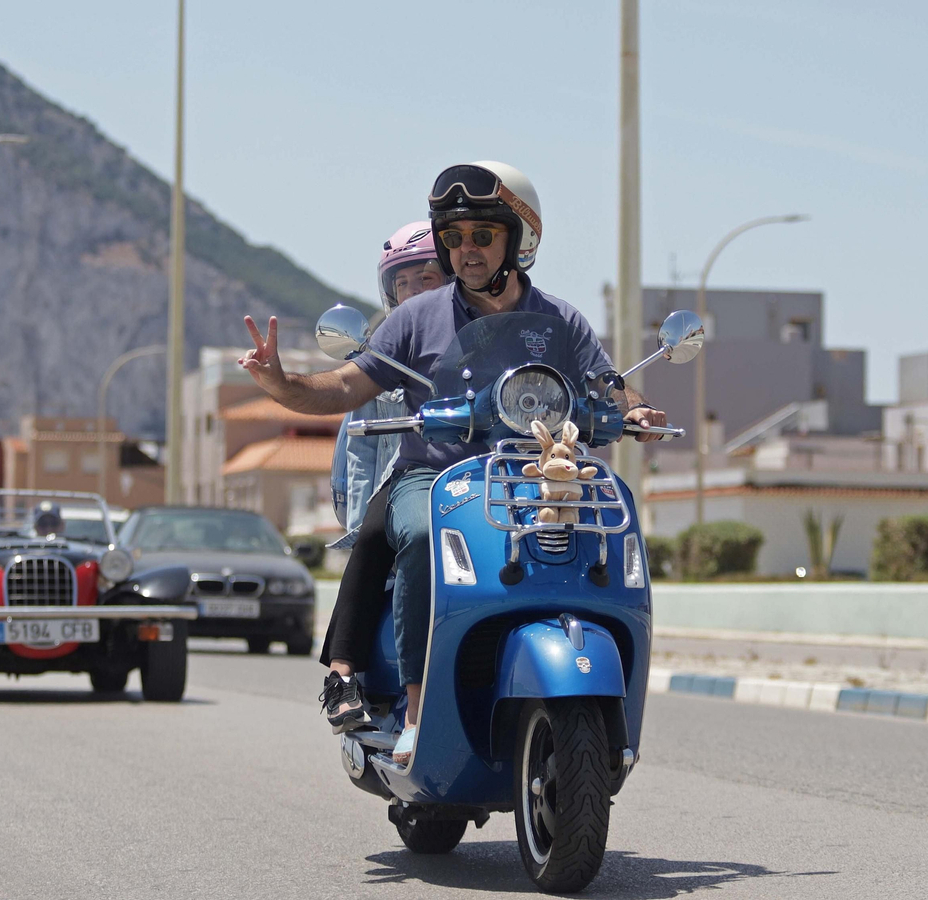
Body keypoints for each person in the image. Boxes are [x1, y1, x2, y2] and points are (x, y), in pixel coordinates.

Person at [241, 161, 665, 762]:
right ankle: (416, 707)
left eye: (483, 236)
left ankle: (607, 712)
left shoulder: (561, 321)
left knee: (604, 530)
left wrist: (638, 412)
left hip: (536, 472)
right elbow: (343, 386)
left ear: (519, 241)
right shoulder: (415, 317)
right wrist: (280, 382)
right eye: (456, 237)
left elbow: (610, 383)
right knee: (418, 533)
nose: (466, 250)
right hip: (437, 477)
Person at [319, 221, 445, 732]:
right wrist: (359, 511)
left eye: (428, 279)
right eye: (403, 283)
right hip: (411, 474)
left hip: (477, 473)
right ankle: (341, 674)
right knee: (378, 534)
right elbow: (359, 450)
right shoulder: (385, 354)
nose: (414, 292)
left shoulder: (479, 339)